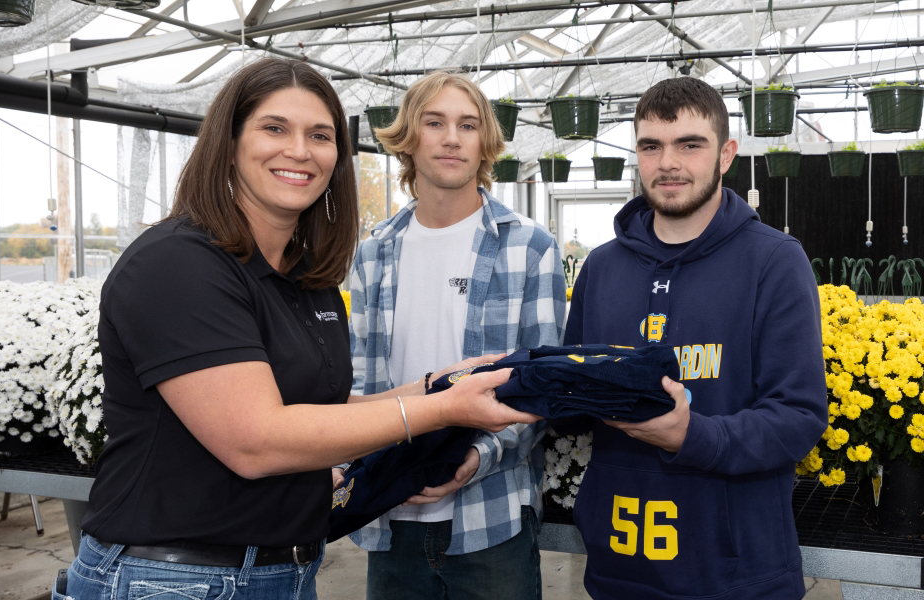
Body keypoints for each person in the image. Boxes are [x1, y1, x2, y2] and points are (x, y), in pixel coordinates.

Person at [57, 57, 539, 600]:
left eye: (320, 135)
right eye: (274, 128)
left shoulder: (304, 278)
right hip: (174, 577)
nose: (300, 150)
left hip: (280, 572)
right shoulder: (179, 263)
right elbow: (256, 440)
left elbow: (317, 412)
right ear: (229, 141)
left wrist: (443, 383)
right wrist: (444, 408)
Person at [563, 76, 828, 599]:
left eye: (690, 144)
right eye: (651, 146)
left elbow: (798, 416)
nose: (668, 163)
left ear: (726, 154)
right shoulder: (602, 267)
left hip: (738, 575)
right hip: (621, 569)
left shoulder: (774, 261)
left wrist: (691, 436)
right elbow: (575, 400)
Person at [346, 70, 566, 600]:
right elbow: (357, 381)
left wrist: (475, 460)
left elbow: (542, 386)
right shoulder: (373, 252)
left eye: (467, 125)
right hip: (390, 512)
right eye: (435, 122)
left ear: (484, 142)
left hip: (491, 519)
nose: (451, 138)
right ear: (408, 138)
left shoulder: (529, 247)